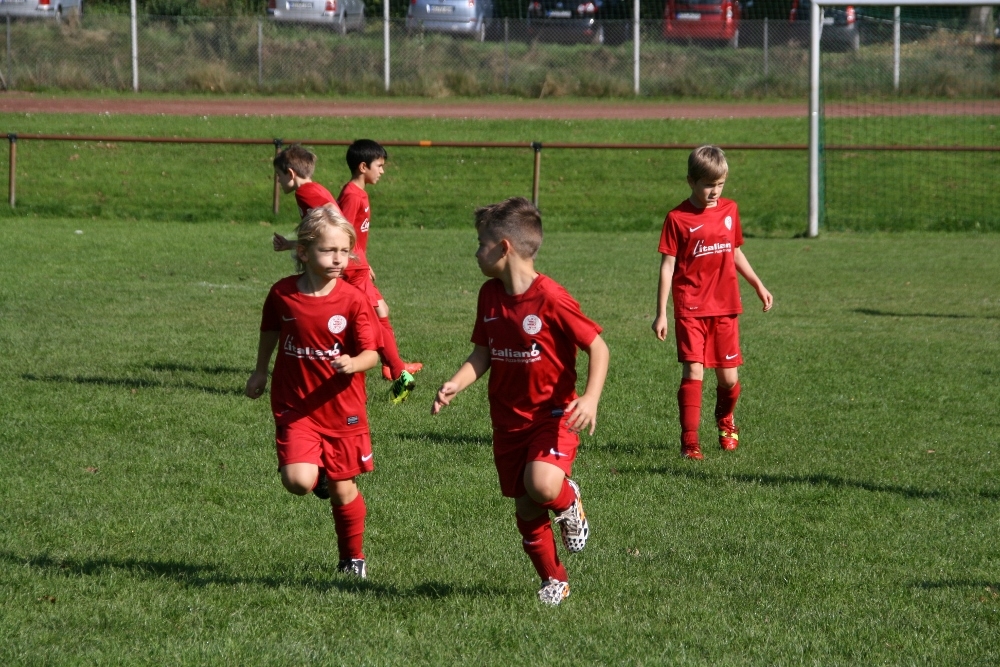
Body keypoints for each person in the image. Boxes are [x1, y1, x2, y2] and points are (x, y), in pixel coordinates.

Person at [431, 197, 610, 606]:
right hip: (508, 421)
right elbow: (483, 354)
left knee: (542, 484)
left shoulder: (551, 297)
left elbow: (598, 347)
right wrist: (456, 383)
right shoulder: (489, 296)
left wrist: (591, 398)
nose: (476, 252)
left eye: (481, 244)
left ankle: (568, 501)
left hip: (553, 414)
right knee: (528, 509)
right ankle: (554, 580)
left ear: (504, 247)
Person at [247, 205, 380, 579]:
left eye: (344, 251)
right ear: (303, 252)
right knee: (297, 481)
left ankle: (352, 558)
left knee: (342, 490)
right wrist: (260, 370)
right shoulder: (283, 294)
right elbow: (270, 331)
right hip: (296, 405)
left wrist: (353, 363)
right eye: (329, 250)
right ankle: (315, 471)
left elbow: (371, 353)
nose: (338, 259)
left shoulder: (353, 300)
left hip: (342, 409)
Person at [271, 143, 419, 403]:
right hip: (352, 262)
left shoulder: (307, 193)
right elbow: (328, 231)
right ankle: (393, 367)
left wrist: (349, 255)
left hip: (349, 266)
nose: (279, 181)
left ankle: (397, 372)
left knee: (370, 318)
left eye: (279, 176)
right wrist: (293, 245)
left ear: (291, 173)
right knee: (378, 313)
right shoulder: (316, 190)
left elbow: (336, 221)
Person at [652, 145, 773, 461]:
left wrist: (758, 284)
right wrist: (661, 313)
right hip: (690, 307)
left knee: (729, 379)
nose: (714, 191)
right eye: (708, 185)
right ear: (691, 181)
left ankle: (725, 419)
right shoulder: (677, 218)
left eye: (719, 184)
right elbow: (667, 266)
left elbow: (735, 252)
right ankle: (690, 442)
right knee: (694, 370)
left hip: (725, 306)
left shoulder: (730, 210)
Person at [338, 139, 423, 386]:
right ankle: (396, 370)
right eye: (380, 165)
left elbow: (355, 237)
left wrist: (365, 261)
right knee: (373, 318)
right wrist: (349, 262)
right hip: (352, 270)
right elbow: (342, 231)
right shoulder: (352, 195)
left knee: (381, 311)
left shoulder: (359, 193)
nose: (382, 171)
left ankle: (392, 364)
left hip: (359, 265)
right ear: (363, 167)